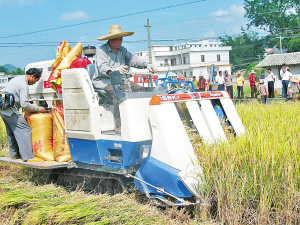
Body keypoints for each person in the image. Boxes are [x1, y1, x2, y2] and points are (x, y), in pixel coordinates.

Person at [92, 25, 156, 133]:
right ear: (110, 39)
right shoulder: (102, 50)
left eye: (120, 39)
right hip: (104, 81)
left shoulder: (122, 50)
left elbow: (133, 60)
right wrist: (114, 71)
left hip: (121, 81)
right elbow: (102, 67)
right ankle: (120, 125)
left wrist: (147, 65)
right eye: (116, 39)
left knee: (141, 90)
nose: (119, 42)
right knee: (119, 94)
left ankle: (144, 120)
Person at [0, 68, 46, 162]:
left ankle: (14, 155)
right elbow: (24, 104)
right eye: (35, 81)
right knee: (25, 130)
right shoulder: (23, 85)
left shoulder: (16, 79)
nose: (34, 83)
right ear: (32, 76)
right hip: (11, 111)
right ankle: (29, 157)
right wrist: (39, 109)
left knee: (12, 132)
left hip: (3, 110)